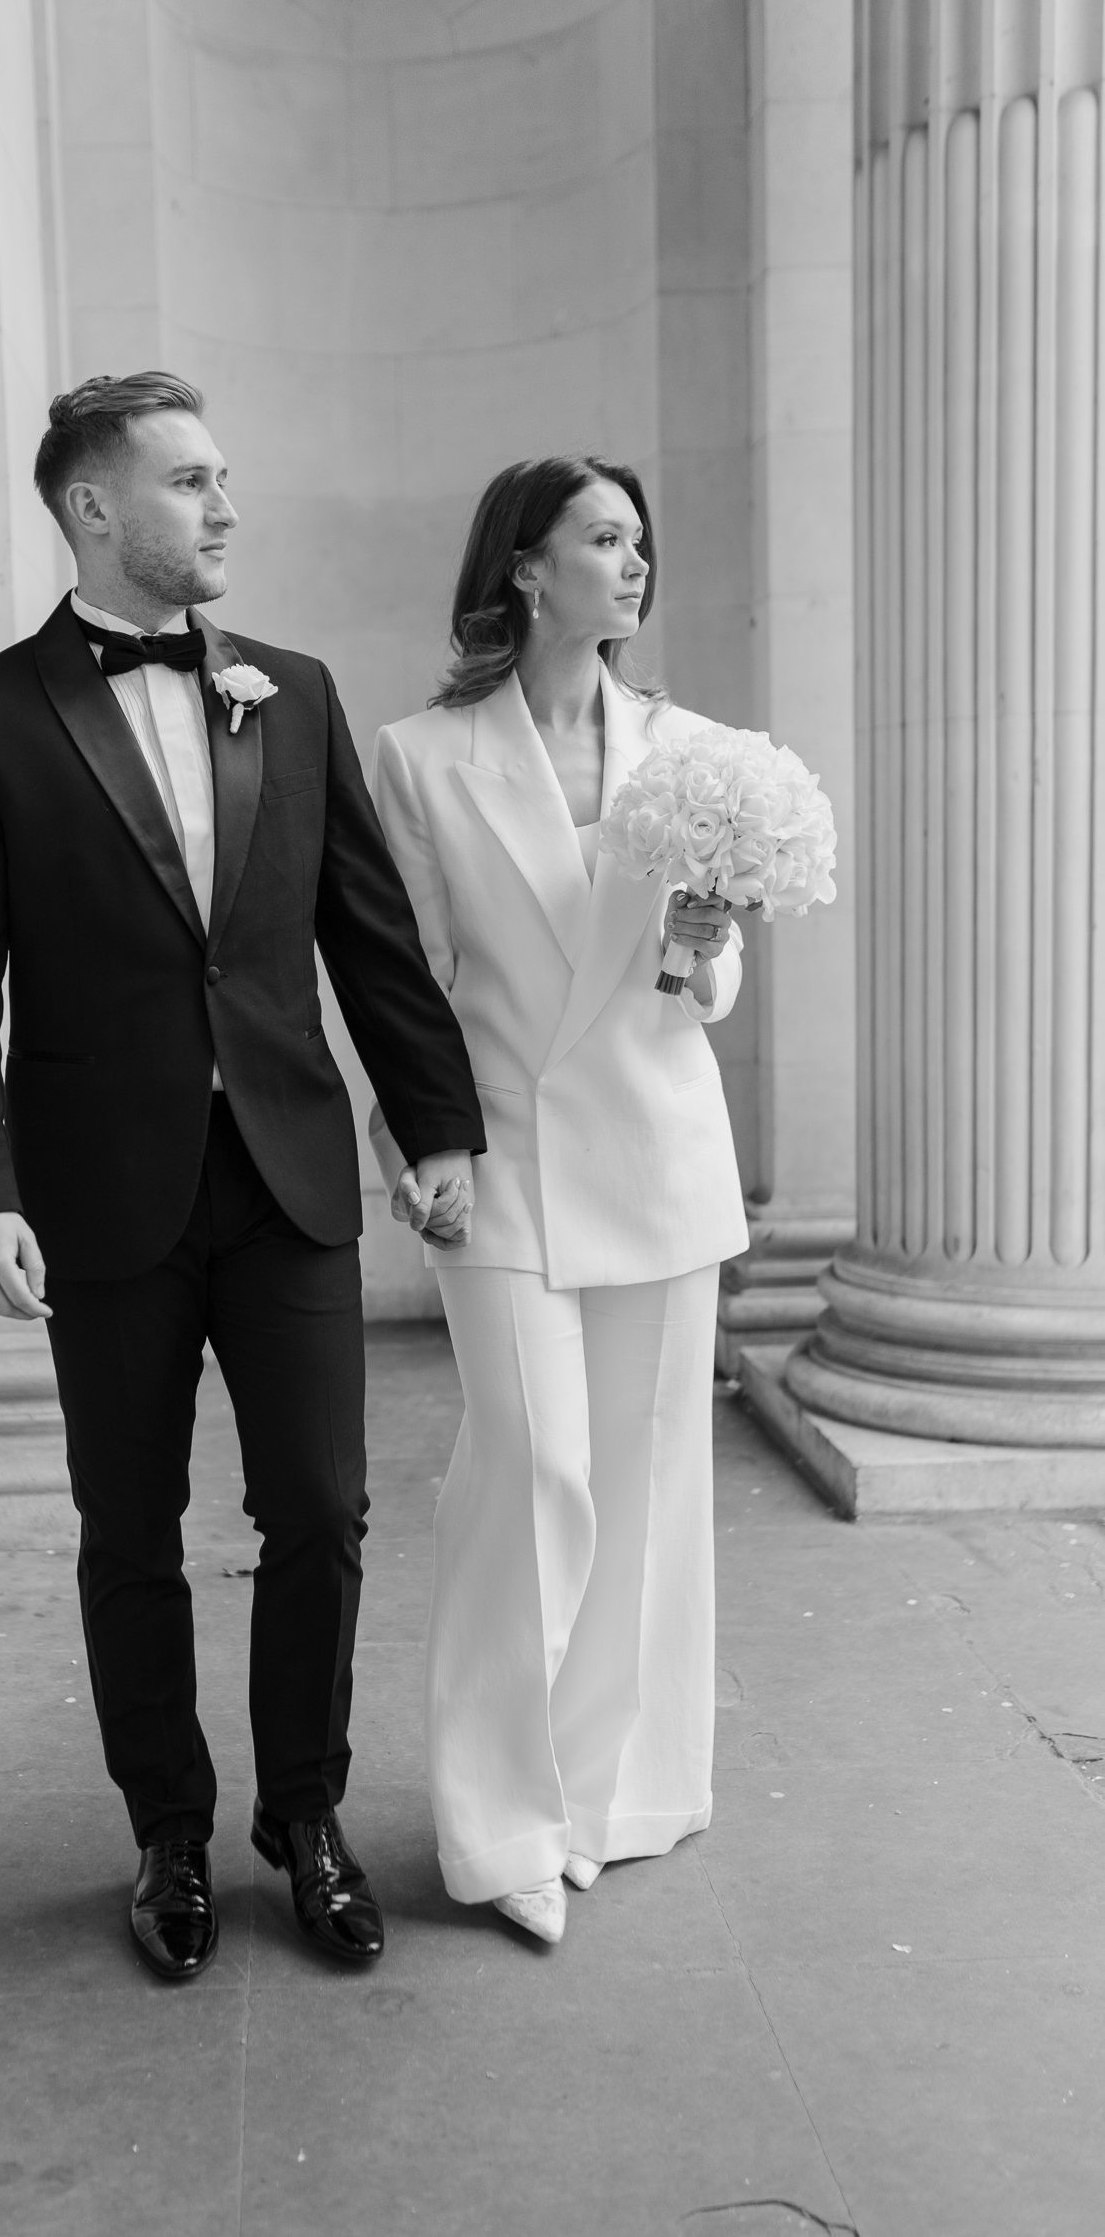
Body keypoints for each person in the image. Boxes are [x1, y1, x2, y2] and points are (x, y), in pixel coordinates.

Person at [0, 371, 485, 1982]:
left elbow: (366, 932)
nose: (225, 508)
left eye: (224, 479)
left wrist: (436, 1126)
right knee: (127, 1524)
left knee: (320, 1509)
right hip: (98, 1193)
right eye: (189, 481)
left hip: (288, 1175)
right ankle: (168, 1827)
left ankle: (306, 1817)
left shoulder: (289, 691)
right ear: (93, 507)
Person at [368, 455, 748, 1943]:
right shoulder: (421, 754)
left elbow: (704, 988)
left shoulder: (695, 747)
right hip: (505, 1153)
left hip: (659, 1148)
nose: (634, 563)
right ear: (527, 566)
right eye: (604, 538)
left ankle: (612, 1792)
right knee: (531, 1471)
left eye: (642, 541)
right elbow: (402, 980)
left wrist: (706, 944)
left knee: (647, 1486)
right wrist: (418, 1143)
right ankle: (501, 1820)